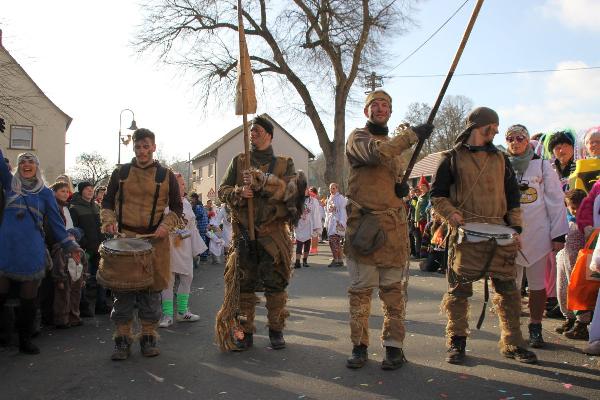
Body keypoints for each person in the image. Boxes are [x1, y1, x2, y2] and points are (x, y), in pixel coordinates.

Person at [431, 106, 537, 365]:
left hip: (499, 234)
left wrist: (515, 229)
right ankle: (457, 341)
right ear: (479, 126)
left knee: (508, 292)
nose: (497, 131)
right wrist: (452, 214)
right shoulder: (451, 158)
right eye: (492, 126)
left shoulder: (501, 159)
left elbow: (513, 197)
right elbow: (437, 196)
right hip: (465, 234)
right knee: (458, 291)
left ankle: (513, 342)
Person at [344, 89, 433, 370]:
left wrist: (399, 189)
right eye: (375, 105)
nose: (380, 109)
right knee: (361, 293)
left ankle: (394, 348)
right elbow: (376, 154)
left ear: (390, 112)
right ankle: (359, 347)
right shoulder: (358, 138)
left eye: (385, 105)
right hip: (365, 229)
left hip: (393, 230)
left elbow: (388, 173)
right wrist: (412, 136)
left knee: (394, 292)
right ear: (366, 111)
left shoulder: (395, 144)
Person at [218, 115, 304, 351]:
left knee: (276, 285)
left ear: (269, 134)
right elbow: (221, 191)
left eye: (256, 130)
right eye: (251, 130)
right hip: (244, 235)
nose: (252, 133)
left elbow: (291, 194)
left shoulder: (285, 163)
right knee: (244, 287)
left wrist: (264, 183)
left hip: (273, 236)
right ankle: (245, 332)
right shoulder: (239, 161)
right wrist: (238, 192)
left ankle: (276, 330)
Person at [101, 128, 183, 360]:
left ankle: (148, 337)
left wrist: (166, 225)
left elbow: (177, 207)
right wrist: (108, 220)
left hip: (155, 241)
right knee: (123, 293)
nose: (142, 151)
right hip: (125, 241)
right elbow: (107, 201)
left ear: (154, 147)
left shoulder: (165, 175)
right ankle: (122, 340)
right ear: (134, 148)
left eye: (146, 146)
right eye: (138, 147)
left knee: (151, 293)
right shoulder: (121, 172)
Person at [0, 151, 81, 354]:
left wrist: (70, 247)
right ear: (18, 167)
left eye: (31, 161)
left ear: (37, 166)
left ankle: (24, 340)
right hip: (6, 247)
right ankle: (3, 336)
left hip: (31, 249)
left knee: (29, 299)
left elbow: (56, 223)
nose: (27, 164)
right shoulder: (10, 183)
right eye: (22, 162)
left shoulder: (45, 193)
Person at [505, 124, 568, 348]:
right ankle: (511, 328)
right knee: (510, 284)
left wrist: (558, 232)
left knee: (537, 284)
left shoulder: (542, 166)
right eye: (510, 138)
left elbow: (555, 200)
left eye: (520, 137)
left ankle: (535, 326)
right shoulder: (502, 166)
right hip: (510, 235)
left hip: (538, 234)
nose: (515, 142)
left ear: (527, 141)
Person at [159, 173, 206, 328]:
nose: (183, 186)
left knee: (187, 278)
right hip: (168, 247)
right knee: (168, 281)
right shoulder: (163, 203)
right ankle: (167, 315)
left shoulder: (186, 203)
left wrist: (196, 248)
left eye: (183, 184)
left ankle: (182, 311)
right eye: (179, 184)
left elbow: (192, 228)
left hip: (184, 247)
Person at [48, 182, 88, 329]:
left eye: (67, 191)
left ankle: (73, 316)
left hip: (71, 245)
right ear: (54, 192)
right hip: (60, 245)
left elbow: (70, 227)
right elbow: (56, 228)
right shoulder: (53, 207)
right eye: (62, 191)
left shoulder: (66, 208)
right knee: (62, 293)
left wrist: (73, 238)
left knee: (74, 292)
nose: (65, 194)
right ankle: (61, 318)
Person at [70, 181, 110, 317]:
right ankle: (83, 306)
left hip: (99, 247)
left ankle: (101, 304)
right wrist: (85, 243)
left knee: (101, 277)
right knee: (83, 278)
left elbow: (101, 226)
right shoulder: (74, 208)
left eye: (91, 189)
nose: (90, 191)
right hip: (85, 249)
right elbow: (75, 229)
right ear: (81, 191)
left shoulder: (95, 206)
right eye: (87, 189)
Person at [555, 189, 590, 339]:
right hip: (565, 258)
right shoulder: (564, 218)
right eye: (572, 208)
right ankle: (568, 318)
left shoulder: (588, 221)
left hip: (579, 261)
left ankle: (582, 323)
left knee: (578, 289)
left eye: (578, 208)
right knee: (562, 288)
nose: (576, 211)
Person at [293, 188, 322, 268]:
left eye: (306, 189)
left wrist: (316, 226)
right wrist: (300, 214)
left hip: (309, 224)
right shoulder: (297, 200)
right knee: (299, 243)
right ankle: (297, 262)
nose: (306, 191)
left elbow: (316, 214)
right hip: (300, 223)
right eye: (304, 189)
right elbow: (293, 210)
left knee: (307, 243)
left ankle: (305, 261)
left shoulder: (313, 201)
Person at [325, 182, 347, 268]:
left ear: (337, 189)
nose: (332, 190)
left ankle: (336, 259)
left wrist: (341, 221)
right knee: (335, 242)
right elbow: (328, 212)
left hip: (337, 222)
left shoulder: (340, 198)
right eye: (330, 188)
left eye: (333, 188)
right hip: (331, 223)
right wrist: (326, 223)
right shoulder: (330, 198)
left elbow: (342, 210)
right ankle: (339, 260)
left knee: (333, 241)